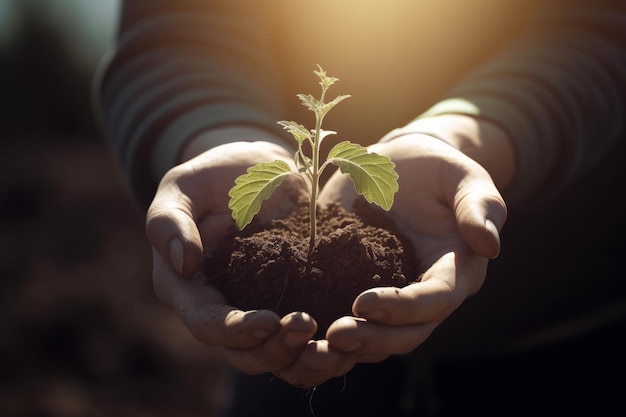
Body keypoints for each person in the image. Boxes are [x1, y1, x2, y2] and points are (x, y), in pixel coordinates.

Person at [94, 1, 626, 415]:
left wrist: (460, 135)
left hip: (567, 353)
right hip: (286, 379)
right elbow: (174, 35)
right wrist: (213, 135)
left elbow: (603, 30)